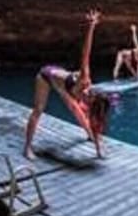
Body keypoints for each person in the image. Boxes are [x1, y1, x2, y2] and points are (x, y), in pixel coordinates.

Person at [24, 9, 110, 160]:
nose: (85, 95)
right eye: (87, 94)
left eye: (87, 98)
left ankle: (93, 139)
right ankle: (27, 148)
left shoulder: (91, 101)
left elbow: (95, 119)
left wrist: (99, 152)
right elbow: (85, 53)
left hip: (64, 83)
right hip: (46, 76)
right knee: (38, 110)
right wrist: (91, 27)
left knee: (78, 110)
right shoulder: (85, 80)